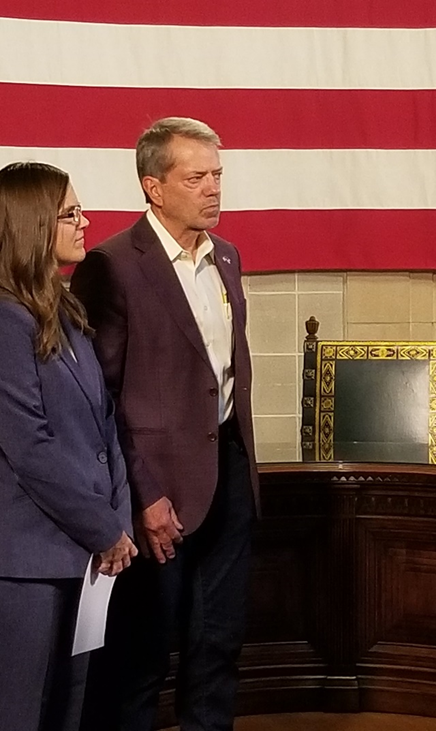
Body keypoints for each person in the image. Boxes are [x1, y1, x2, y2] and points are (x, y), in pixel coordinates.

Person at [72, 117, 259, 731]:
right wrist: (143, 494)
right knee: (139, 659)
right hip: (155, 493)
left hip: (228, 476)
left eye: (218, 175)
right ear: (154, 186)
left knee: (217, 647)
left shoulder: (226, 257)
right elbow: (103, 396)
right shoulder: (113, 265)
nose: (213, 188)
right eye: (196, 176)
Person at [0, 161, 137, 731]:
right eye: (70, 213)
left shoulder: (64, 310)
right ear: (33, 226)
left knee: (69, 713)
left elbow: (105, 427)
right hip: (27, 565)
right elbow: (30, 447)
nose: (86, 222)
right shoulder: (5, 322)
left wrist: (117, 525)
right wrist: (103, 529)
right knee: (22, 714)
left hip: (82, 555)